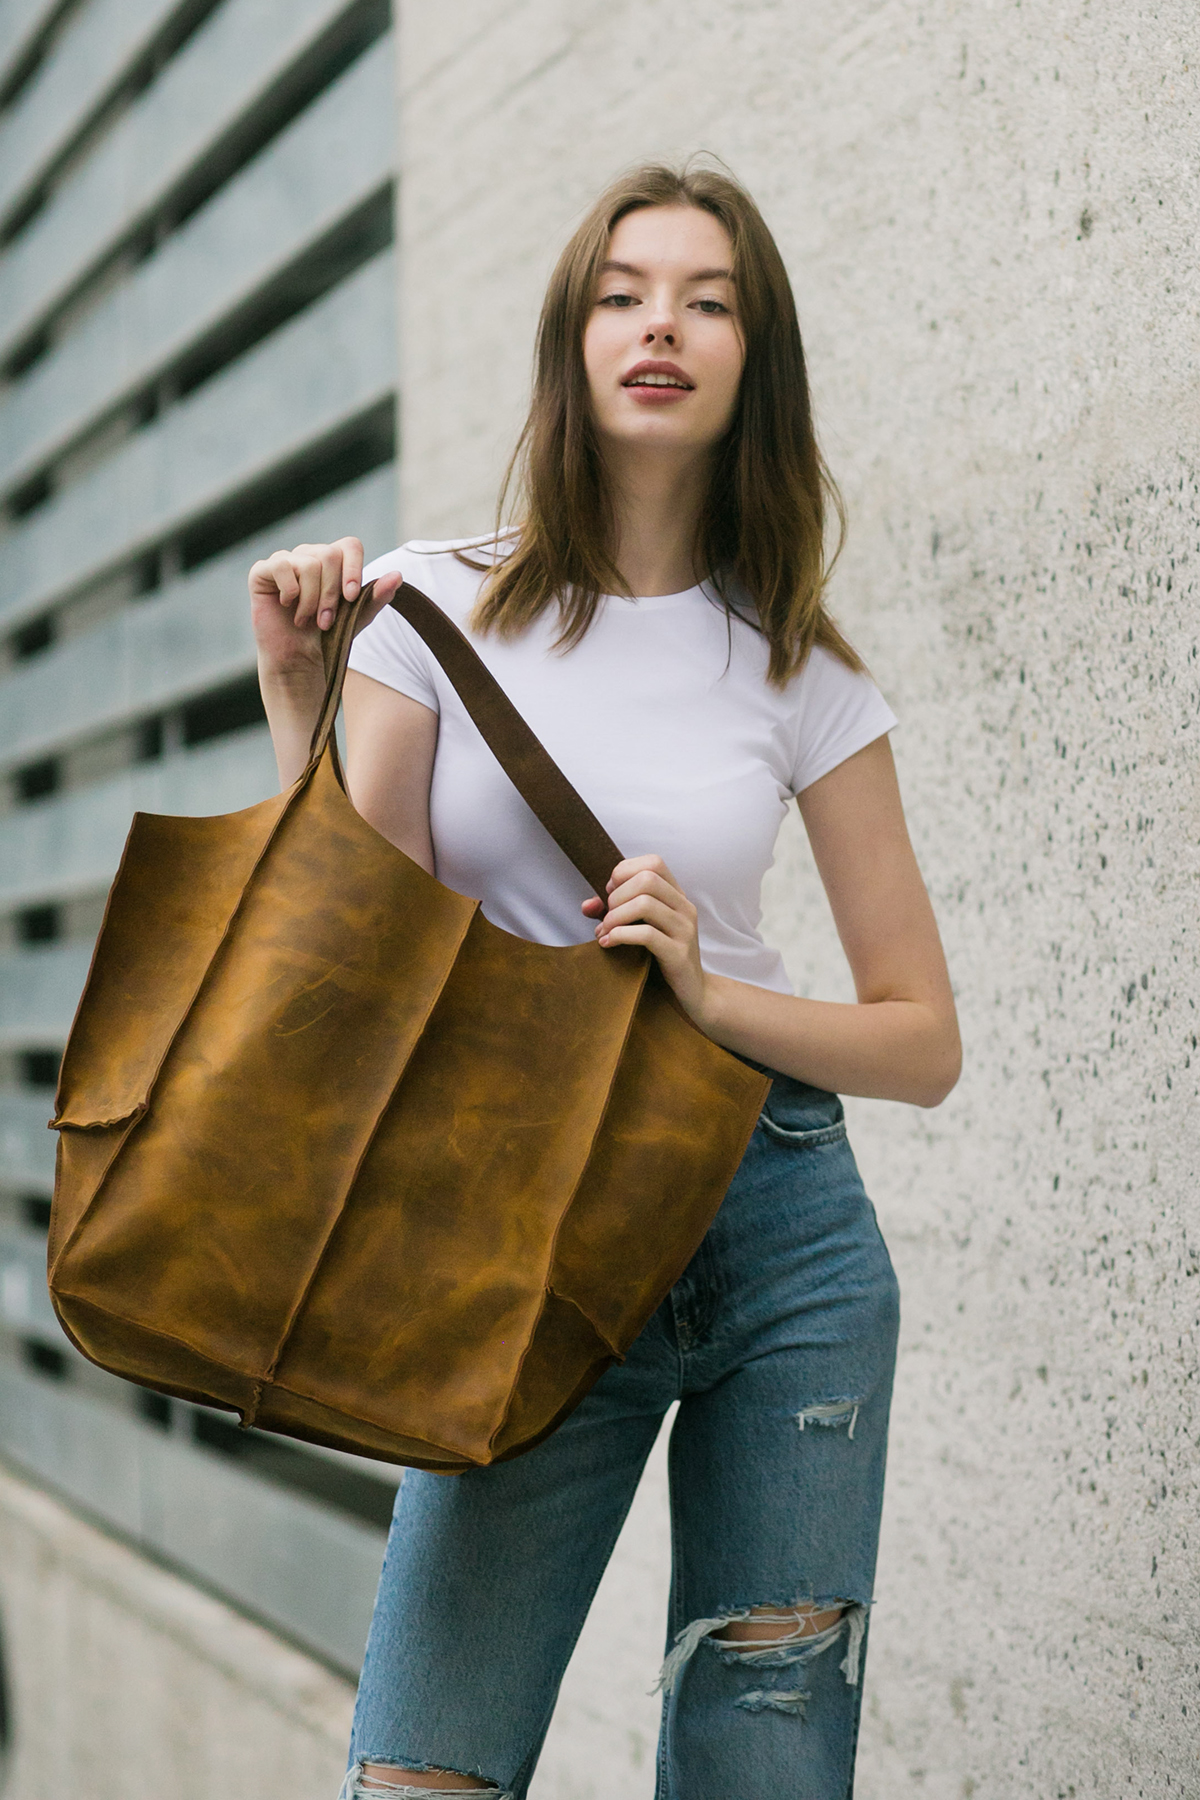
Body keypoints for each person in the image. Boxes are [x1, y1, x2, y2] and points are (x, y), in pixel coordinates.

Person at [250, 162, 960, 1800]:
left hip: (785, 1241)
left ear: (750, 360)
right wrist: (299, 708)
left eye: (709, 300)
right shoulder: (429, 608)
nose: (663, 325)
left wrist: (712, 996)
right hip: (521, 1236)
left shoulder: (804, 668)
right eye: (624, 292)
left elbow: (921, 1042)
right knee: (424, 1772)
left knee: (762, 1774)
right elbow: (360, 965)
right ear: (572, 342)